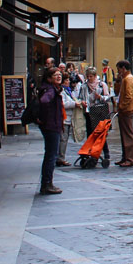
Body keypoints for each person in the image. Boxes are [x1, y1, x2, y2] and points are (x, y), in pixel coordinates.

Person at [36, 66, 64, 194]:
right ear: (49, 78)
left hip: (51, 125)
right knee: (51, 156)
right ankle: (47, 184)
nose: (59, 77)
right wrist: (45, 117)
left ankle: (47, 183)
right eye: (55, 75)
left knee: (50, 155)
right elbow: (44, 101)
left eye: (60, 74)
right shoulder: (51, 90)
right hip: (52, 126)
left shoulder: (52, 89)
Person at [77, 66, 111, 166]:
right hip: (89, 112)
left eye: (91, 76)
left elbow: (108, 97)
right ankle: (90, 153)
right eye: (87, 76)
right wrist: (82, 102)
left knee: (101, 134)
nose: (89, 78)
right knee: (90, 134)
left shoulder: (101, 85)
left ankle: (106, 153)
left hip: (100, 112)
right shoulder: (84, 86)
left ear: (95, 76)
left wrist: (100, 97)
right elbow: (80, 98)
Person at [115, 60, 133, 167]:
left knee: (127, 134)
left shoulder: (128, 79)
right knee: (125, 134)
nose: (118, 71)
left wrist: (121, 107)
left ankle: (129, 158)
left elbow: (128, 96)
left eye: (119, 69)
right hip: (126, 109)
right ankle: (126, 157)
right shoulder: (126, 79)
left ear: (123, 68)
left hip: (126, 110)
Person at [57, 72, 77, 167]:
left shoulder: (67, 90)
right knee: (63, 139)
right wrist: (74, 104)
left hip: (68, 117)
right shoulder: (62, 91)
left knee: (63, 138)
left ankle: (61, 157)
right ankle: (60, 158)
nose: (69, 82)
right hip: (64, 118)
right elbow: (63, 104)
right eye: (67, 80)